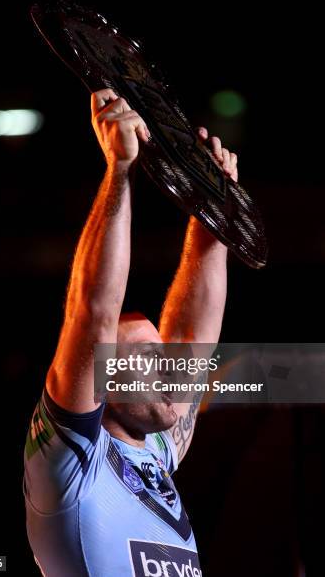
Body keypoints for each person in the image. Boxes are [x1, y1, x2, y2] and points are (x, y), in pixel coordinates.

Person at [23, 88, 238, 576]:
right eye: (146, 355)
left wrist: (212, 213)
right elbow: (92, 312)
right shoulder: (71, 466)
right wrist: (119, 169)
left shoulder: (157, 454)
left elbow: (192, 335)